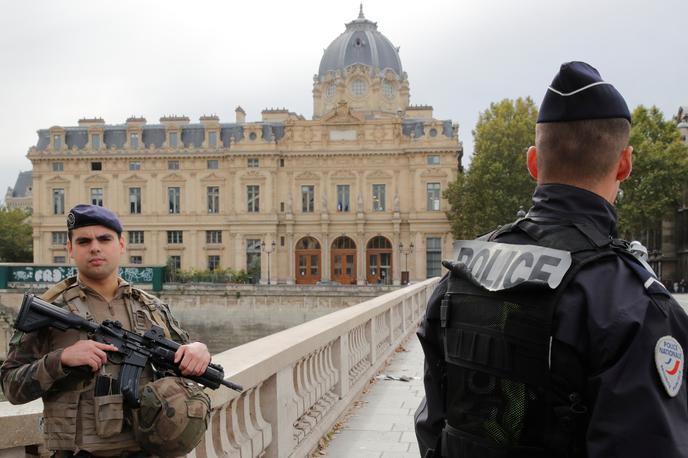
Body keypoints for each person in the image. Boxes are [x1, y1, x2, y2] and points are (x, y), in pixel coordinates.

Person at [414, 62, 688, 457]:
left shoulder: (461, 274)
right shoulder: (634, 305)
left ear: (533, 163)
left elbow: (432, 428)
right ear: (625, 164)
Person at [0, 204, 212, 457]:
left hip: (147, 450)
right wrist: (61, 360)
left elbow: (184, 360)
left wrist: (199, 350)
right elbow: (11, 386)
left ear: (121, 244)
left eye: (104, 239)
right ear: (70, 249)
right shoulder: (51, 310)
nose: (95, 247)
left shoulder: (151, 307)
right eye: (84, 241)